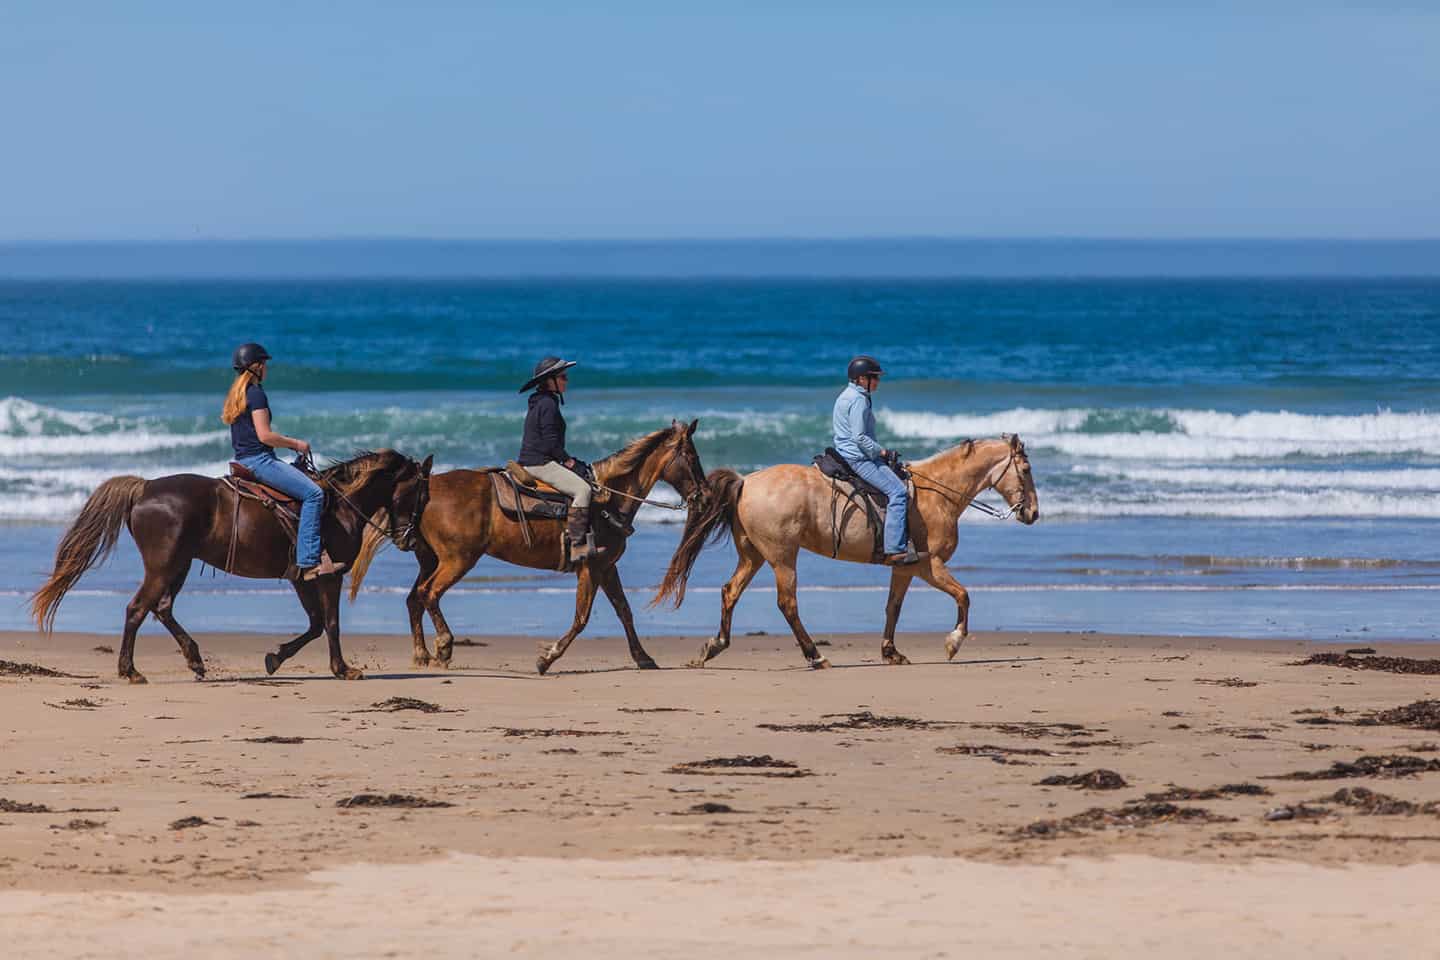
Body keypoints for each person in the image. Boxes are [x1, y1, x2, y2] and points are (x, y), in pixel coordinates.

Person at [221, 342, 343, 580]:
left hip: (244, 460)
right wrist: (296, 444)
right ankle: (308, 562)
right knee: (314, 494)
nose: (266, 368)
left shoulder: (237, 394)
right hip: (260, 461)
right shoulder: (256, 394)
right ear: (255, 367)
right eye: (264, 363)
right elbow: (264, 435)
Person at [517, 355, 606, 565]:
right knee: (583, 490)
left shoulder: (542, 401)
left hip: (536, 459)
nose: (567, 381)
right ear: (550, 381)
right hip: (539, 463)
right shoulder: (548, 404)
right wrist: (569, 462)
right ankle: (577, 547)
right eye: (563, 377)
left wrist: (567, 460)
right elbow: (550, 444)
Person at [832, 355, 917, 565]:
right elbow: (860, 437)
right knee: (898, 492)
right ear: (861, 379)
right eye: (874, 378)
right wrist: (883, 453)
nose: (878, 382)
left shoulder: (847, 395)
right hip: (858, 458)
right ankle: (895, 549)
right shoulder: (858, 400)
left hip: (847, 452)